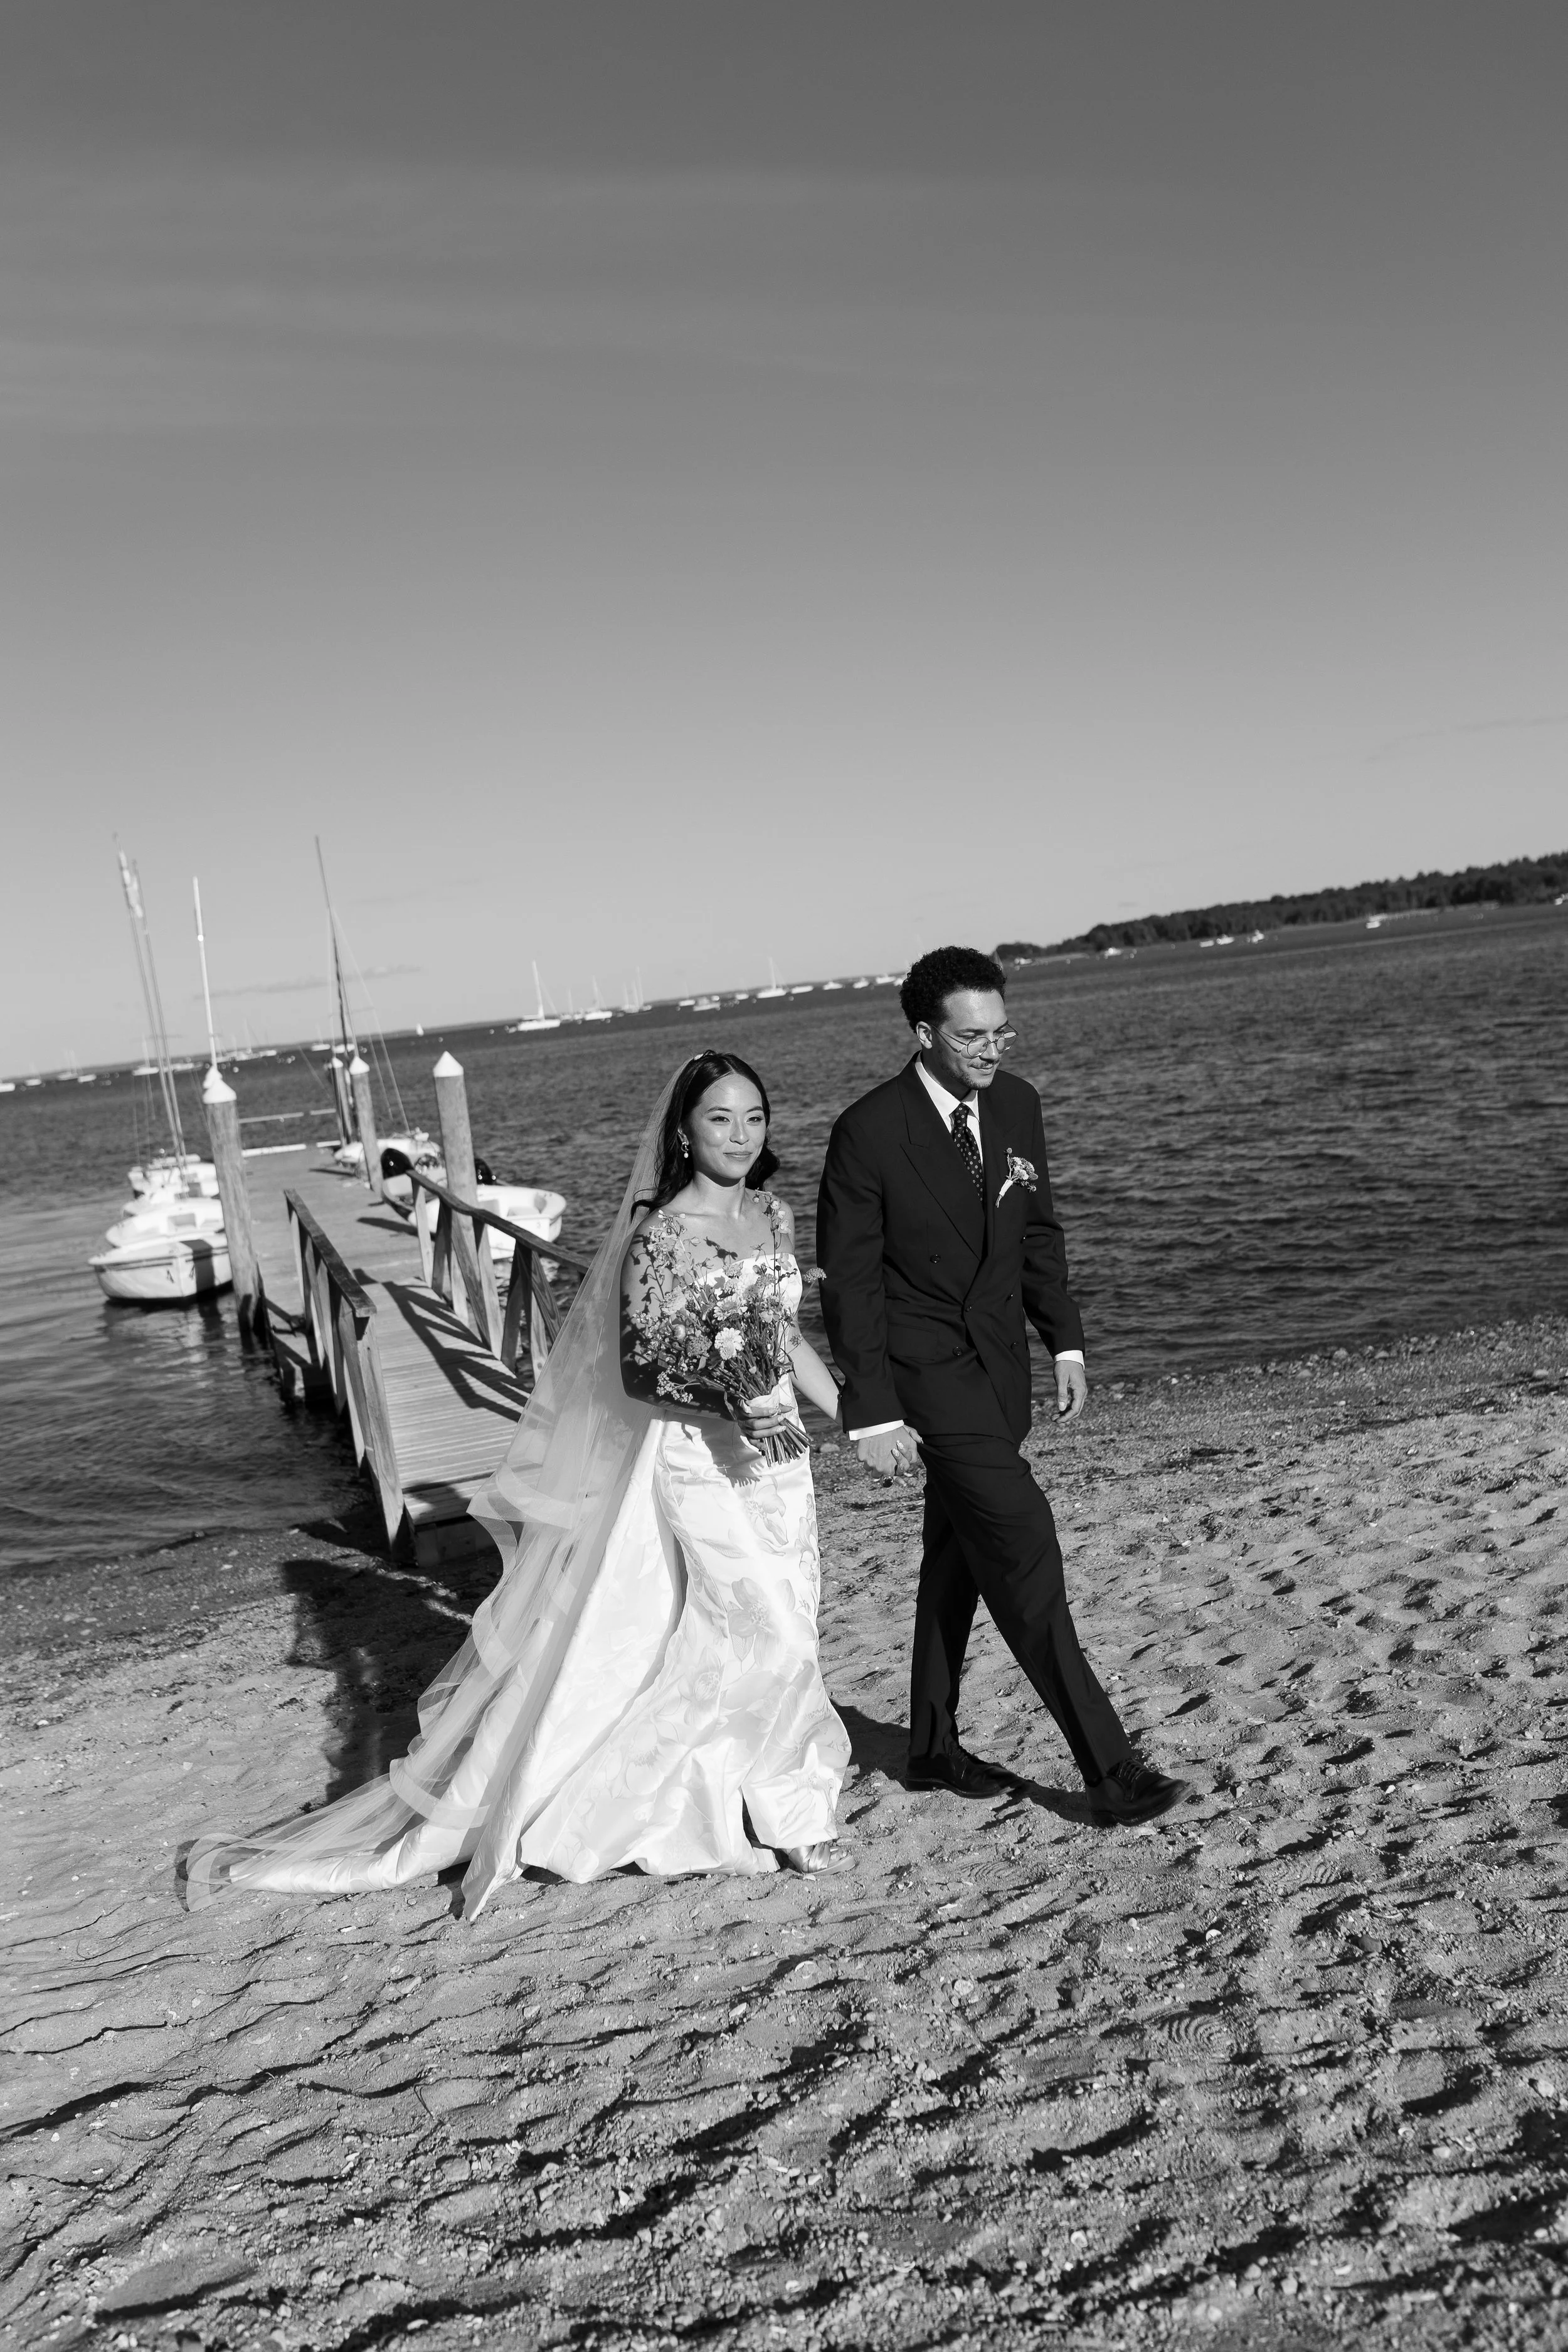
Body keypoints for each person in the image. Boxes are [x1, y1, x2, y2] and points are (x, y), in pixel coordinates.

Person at [186, 1052, 849, 1914]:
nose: (739, 1135)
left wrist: (858, 1415)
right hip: (695, 1456)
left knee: (787, 1619)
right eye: (720, 1118)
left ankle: (755, 1788)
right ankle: (784, 1813)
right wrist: (731, 1397)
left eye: (754, 1117)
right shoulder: (662, 1233)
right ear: (683, 1130)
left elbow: (780, 1332)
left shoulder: (773, 1211)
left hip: (778, 1457)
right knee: (763, 1624)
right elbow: (645, 1370)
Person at [816, 945, 1189, 1825]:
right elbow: (851, 1283)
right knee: (1023, 1547)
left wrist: (1066, 1344)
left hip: (1000, 1370)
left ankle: (932, 1745)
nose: (991, 1049)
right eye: (972, 1035)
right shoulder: (868, 1131)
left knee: (956, 1555)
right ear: (924, 1033)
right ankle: (1110, 1769)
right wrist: (870, 1411)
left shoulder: (1017, 1102)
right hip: (924, 1376)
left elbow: (1037, 1234)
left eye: (1001, 1031)